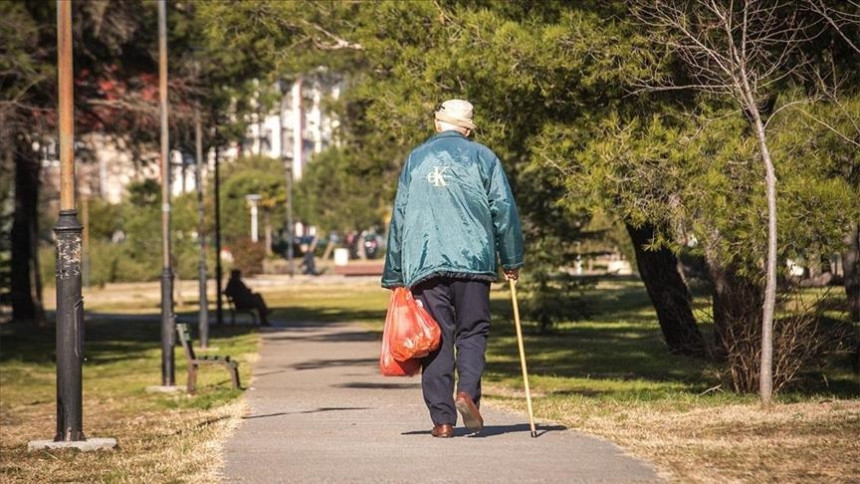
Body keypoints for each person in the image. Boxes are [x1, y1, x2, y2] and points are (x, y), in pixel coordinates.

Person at [381, 99, 524, 438]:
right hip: (474, 260)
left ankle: (443, 421)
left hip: (426, 264)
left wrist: (394, 273)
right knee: (473, 332)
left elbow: (400, 217)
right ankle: (467, 394)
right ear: (467, 128)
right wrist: (512, 259)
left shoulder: (416, 159)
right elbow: (503, 209)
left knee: (436, 339)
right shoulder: (484, 157)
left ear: (437, 124)